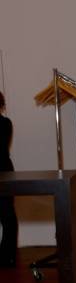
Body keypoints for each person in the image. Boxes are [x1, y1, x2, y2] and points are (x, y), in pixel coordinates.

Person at [0, 91, 18, 268]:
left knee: (7, 214)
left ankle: (8, 255)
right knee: (7, 214)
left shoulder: (5, 123)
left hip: (3, 171)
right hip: (4, 169)